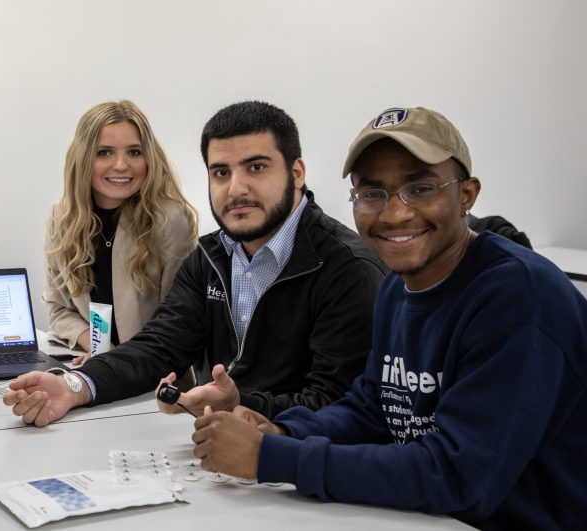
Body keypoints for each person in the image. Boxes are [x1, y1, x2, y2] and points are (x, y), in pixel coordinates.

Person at [191, 107, 587, 530]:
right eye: (372, 193)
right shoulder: (400, 286)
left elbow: (460, 476)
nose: (395, 214)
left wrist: (272, 458)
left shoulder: (517, 299)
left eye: (421, 188)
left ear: (467, 195)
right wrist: (284, 432)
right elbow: (376, 407)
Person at [5, 101, 385, 426]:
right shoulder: (211, 257)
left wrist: (240, 407)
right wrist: (75, 385)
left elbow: (337, 404)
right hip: (217, 446)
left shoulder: (347, 270)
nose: (236, 188)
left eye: (256, 167)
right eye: (221, 172)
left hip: (292, 467)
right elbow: (158, 348)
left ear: (296, 173)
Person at [44, 100, 197, 364]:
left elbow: (177, 324)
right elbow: (59, 309)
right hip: (98, 367)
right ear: (83, 158)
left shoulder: (170, 220)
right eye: (104, 152)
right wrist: (99, 350)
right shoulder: (62, 218)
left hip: (154, 374)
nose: (120, 165)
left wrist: (116, 363)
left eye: (134, 152)